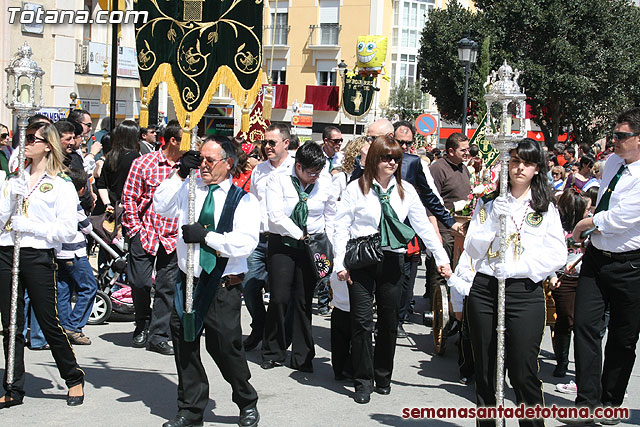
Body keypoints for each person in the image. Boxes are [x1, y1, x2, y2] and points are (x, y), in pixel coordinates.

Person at [334, 135, 451, 404]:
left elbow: (423, 226)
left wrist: (441, 257)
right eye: (386, 157)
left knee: (388, 322)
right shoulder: (356, 188)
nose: (391, 162)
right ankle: (362, 380)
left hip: (392, 261)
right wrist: (340, 262)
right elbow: (341, 226)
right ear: (374, 159)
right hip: (362, 260)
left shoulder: (406, 190)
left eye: (396, 158)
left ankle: (382, 375)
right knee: (361, 322)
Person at [154, 136, 261, 427]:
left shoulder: (244, 200)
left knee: (225, 347)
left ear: (228, 163)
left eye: (210, 160)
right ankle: (191, 408)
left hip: (222, 284)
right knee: (185, 345)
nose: (203, 165)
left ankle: (246, 398)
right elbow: (160, 206)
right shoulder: (188, 188)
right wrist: (178, 173)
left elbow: (246, 243)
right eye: (200, 158)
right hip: (188, 280)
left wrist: (207, 237)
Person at [463, 138, 566, 427]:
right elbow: (472, 249)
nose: (520, 168)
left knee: (523, 371)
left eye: (527, 163)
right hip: (486, 289)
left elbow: (558, 253)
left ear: (536, 169)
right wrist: (494, 220)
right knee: (486, 372)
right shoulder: (488, 202)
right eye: (515, 161)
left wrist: (523, 268)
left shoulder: (545, 207)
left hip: (523, 291)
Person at [0, 121, 85, 408]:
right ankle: (13, 386)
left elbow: (67, 229)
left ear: (47, 144)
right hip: (6, 250)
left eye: (32, 139)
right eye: (23, 138)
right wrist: (10, 195)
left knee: (48, 321)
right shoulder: (15, 178)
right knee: (11, 324)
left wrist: (32, 226)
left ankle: (73, 377)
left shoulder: (61, 183)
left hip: (36, 254)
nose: (25, 143)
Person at [570, 107, 640, 422]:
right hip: (598, 258)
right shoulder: (613, 162)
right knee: (584, 325)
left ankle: (611, 402)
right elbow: (604, 202)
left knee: (623, 338)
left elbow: (621, 218)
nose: (614, 142)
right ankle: (586, 401)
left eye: (621, 136)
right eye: (614, 134)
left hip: (631, 265)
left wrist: (587, 223)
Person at [260, 142, 336, 372]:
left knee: (304, 301)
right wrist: (299, 234)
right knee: (280, 298)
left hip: (313, 246)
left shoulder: (325, 182)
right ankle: (273, 349)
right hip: (283, 243)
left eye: (318, 172)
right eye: (310, 172)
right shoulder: (278, 179)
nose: (315, 177)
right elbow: (275, 215)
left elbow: (330, 215)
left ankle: (303, 355)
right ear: (298, 166)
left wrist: (329, 245)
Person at [393, 121, 462, 337]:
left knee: (404, 278)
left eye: (408, 143)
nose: (403, 148)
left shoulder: (414, 164)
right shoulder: (373, 159)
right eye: (399, 142)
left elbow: (430, 198)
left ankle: (397, 319)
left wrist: (449, 222)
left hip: (405, 233)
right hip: (374, 235)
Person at [121, 122, 182, 355]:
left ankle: (159, 335)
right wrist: (133, 228)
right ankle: (142, 322)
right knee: (140, 283)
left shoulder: (190, 168)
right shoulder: (144, 163)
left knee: (167, 287)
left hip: (174, 236)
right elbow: (129, 197)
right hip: (145, 232)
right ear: (173, 140)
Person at [241, 123, 295, 351]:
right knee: (249, 286)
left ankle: (279, 337)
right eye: (265, 142)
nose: (267, 147)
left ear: (286, 143)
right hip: (258, 238)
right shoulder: (259, 169)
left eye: (272, 142)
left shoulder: (296, 167)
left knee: (280, 294)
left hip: (283, 240)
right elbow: (252, 202)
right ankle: (259, 326)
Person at [548, 188, 591, 378]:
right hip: (562, 279)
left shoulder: (591, 228)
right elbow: (545, 254)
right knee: (565, 319)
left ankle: (584, 366)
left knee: (584, 323)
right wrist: (551, 276)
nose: (589, 213)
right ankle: (562, 362)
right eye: (585, 209)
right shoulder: (557, 228)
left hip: (586, 278)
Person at [55, 168, 97, 346]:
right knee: (89, 287)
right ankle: (74, 325)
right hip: (75, 252)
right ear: (81, 190)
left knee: (64, 289)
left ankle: (64, 325)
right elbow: (87, 227)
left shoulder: (57, 201)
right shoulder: (74, 203)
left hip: (60, 251)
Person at [96, 120, 141, 214]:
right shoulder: (136, 158)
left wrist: (107, 204)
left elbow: (102, 185)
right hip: (129, 208)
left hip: (112, 206)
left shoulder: (110, 156)